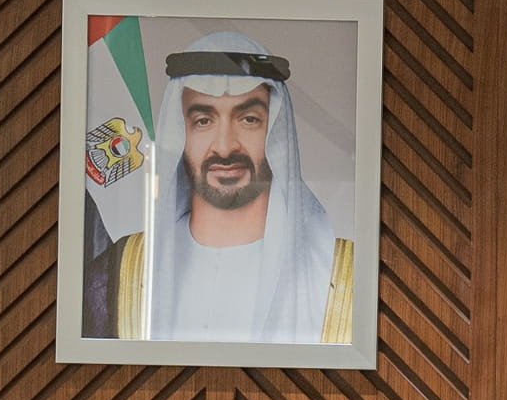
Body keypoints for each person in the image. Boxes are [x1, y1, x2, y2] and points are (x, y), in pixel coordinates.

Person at [82, 31, 355, 343]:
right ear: (180, 133)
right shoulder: (116, 275)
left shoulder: (343, 278)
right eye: (203, 121)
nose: (224, 147)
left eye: (249, 119)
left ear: (276, 133)